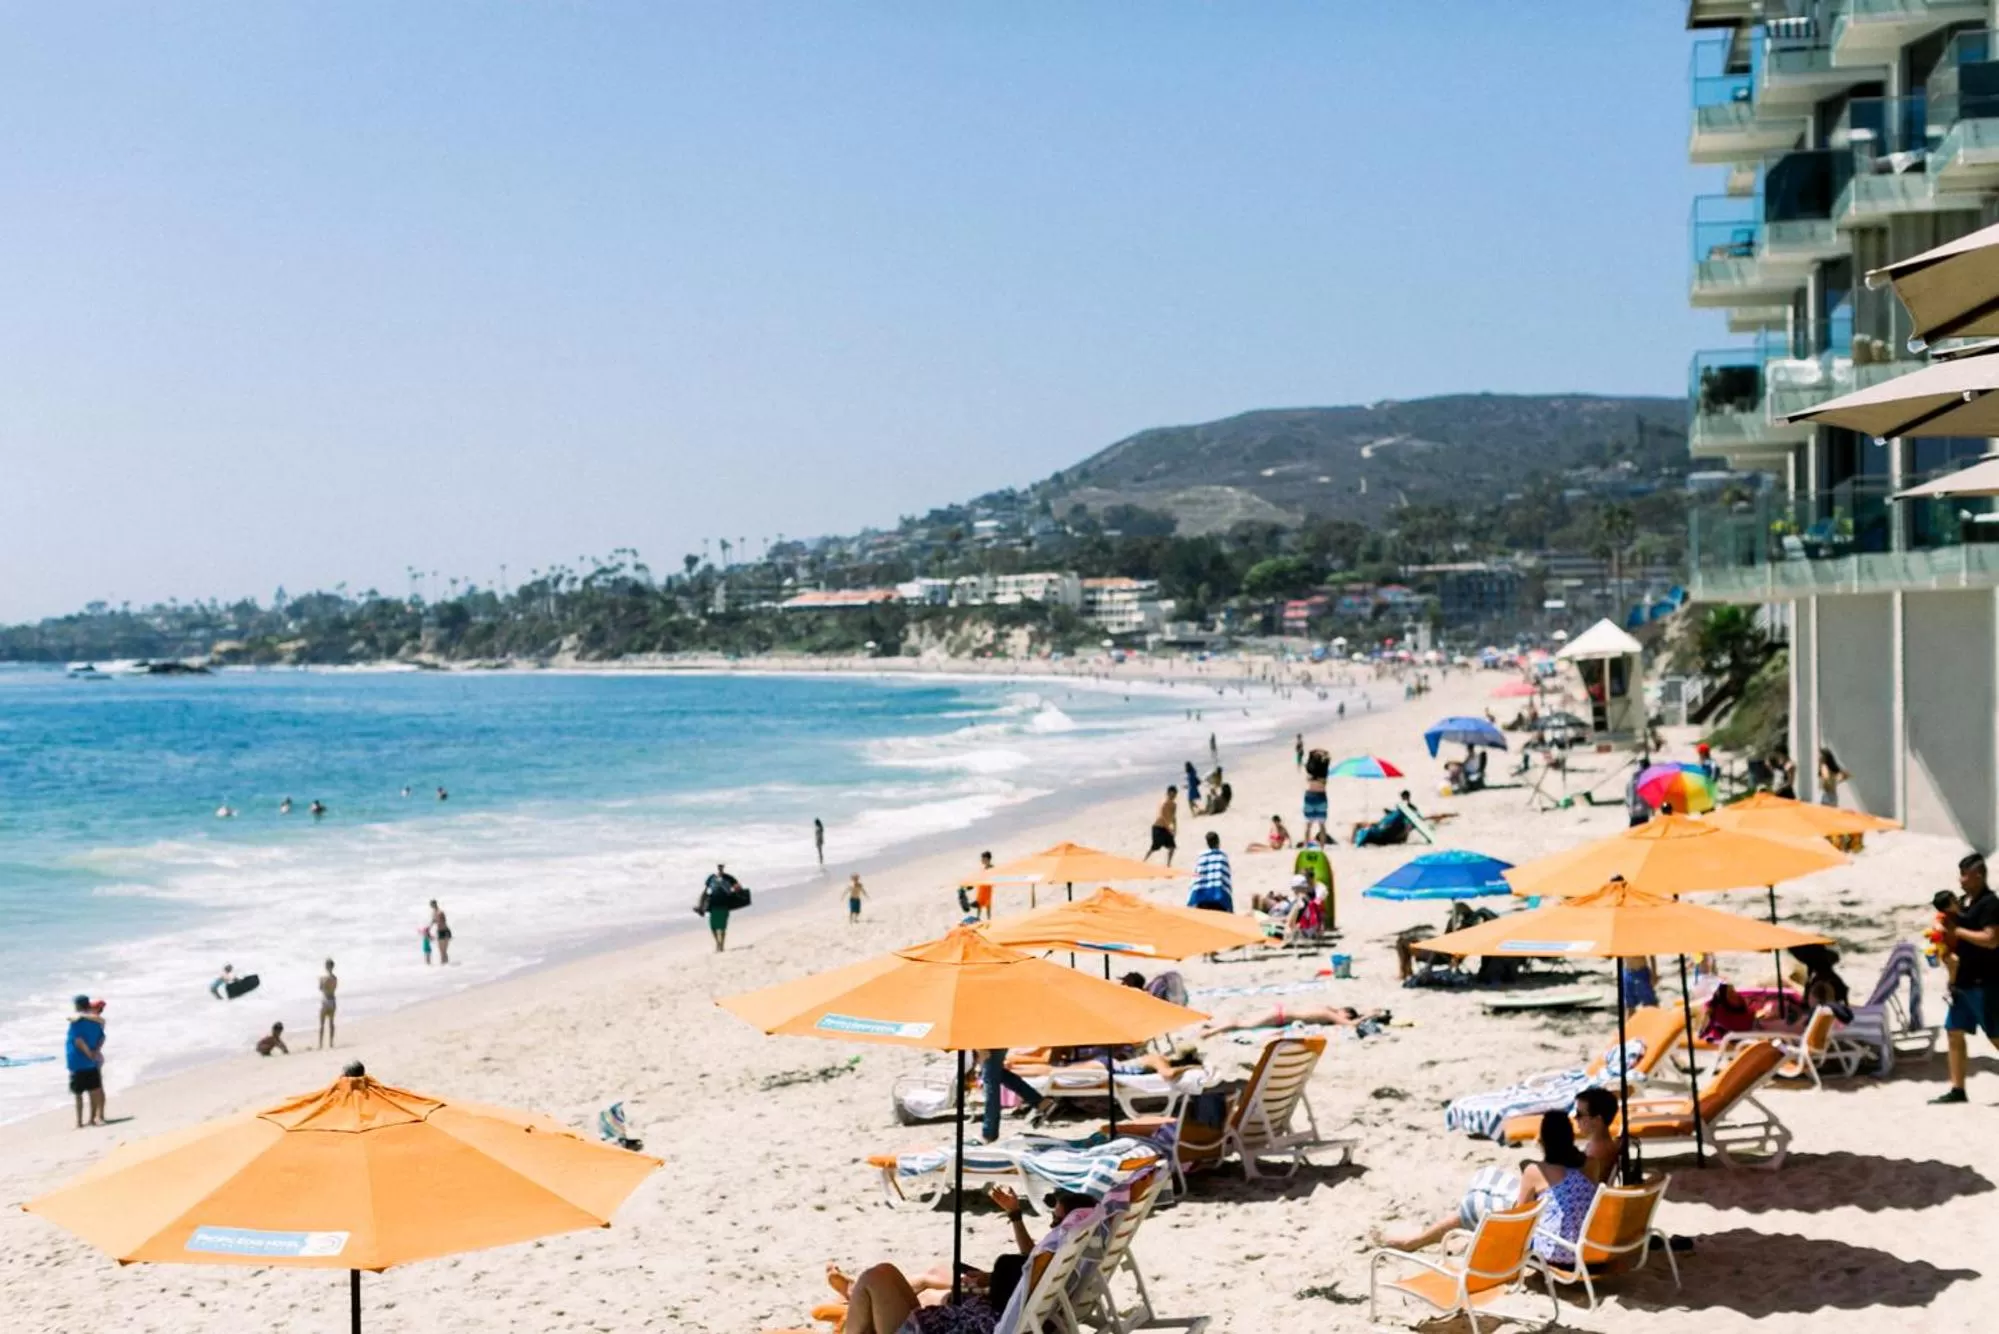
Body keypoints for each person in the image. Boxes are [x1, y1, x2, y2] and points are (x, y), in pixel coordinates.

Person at [826, 1183, 1095, 1333]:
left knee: (876, 1276)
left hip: (965, 1326)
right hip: (980, 1316)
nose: (1051, 1228)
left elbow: (1029, 1260)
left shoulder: (1053, 1259)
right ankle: (853, 1293)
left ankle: (854, 1293)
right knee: (888, 1274)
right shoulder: (1069, 1255)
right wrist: (1014, 1215)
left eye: (1057, 1222)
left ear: (1070, 1223)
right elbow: (1031, 1259)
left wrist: (993, 1279)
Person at [1373, 1108, 1599, 1268]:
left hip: (1554, 1255)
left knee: (1474, 1203)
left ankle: (1414, 1242)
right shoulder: (1589, 1163)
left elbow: (1518, 1221)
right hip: (1583, 1249)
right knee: (1487, 1188)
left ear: (1545, 1139)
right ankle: (1455, 1230)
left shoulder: (1536, 1172)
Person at [1935, 851, 1999, 1105]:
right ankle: (1958, 1089)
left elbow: (1991, 940)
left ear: (1979, 875)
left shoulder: (1991, 904)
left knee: (1995, 1036)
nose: (1960, 880)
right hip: (1962, 981)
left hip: (1986, 981)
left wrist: (1957, 931)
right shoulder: (1963, 903)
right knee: (1954, 1031)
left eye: (1965, 874)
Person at [1199, 1003, 1388, 1037]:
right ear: (1344, 1013)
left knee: (1244, 1020)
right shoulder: (1330, 1014)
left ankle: (1214, 1025)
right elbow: (1351, 1024)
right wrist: (1370, 1015)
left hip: (1280, 1010)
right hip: (1280, 1016)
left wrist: (1365, 1012)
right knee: (1243, 1025)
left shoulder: (1327, 1007)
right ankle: (1211, 1032)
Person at [981, 1047, 1046, 1143]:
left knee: (991, 1081)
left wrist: (980, 1048)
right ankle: (1038, 1100)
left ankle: (989, 1133)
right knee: (996, 1074)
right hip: (993, 1040)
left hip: (988, 1041)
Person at [66, 994, 106, 1129]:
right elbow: (102, 1038)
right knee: (94, 1090)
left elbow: (78, 1041)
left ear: (76, 1006)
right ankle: (93, 1119)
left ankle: (79, 1122)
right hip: (92, 1062)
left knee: (78, 1094)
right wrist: (95, 1053)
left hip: (77, 1061)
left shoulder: (76, 1021)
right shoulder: (97, 1021)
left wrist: (89, 1054)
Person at [1292, 840, 1335, 929]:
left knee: (1306, 904)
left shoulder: (1320, 888)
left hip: (1313, 921)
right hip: (1305, 917)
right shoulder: (1304, 890)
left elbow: (1318, 903)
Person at [1187, 832, 1233, 913]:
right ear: (1218, 842)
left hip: (1202, 898)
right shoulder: (1222, 857)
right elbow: (1226, 879)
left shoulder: (1201, 857)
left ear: (1207, 844)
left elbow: (1196, 879)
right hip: (1219, 898)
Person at [697, 865, 739, 951]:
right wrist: (701, 904)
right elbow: (705, 890)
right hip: (713, 905)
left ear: (723, 867)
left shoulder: (729, 877)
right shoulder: (711, 878)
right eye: (718, 867)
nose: (720, 868)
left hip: (724, 904)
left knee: (722, 926)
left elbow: (738, 887)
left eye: (721, 867)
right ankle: (718, 942)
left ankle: (722, 945)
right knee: (713, 926)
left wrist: (733, 892)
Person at [1302, 749, 1331, 844]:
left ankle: (1306, 848)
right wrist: (1323, 753)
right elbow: (1328, 758)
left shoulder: (1309, 776)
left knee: (1308, 825)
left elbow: (1308, 762)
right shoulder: (1324, 776)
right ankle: (1322, 848)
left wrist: (1313, 754)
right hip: (1321, 796)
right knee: (1322, 825)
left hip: (1310, 796)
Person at [1144, 787, 1178, 866]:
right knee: (1155, 847)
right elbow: (1161, 817)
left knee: (1172, 847)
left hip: (1166, 828)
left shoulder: (1174, 805)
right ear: (1168, 793)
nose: (1173, 796)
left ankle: (1168, 865)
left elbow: (1173, 817)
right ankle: (1144, 861)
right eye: (1171, 794)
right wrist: (1169, 828)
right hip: (1158, 828)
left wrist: (1175, 828)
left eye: (1175, 794)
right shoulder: (1164, 803)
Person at [317, 958, 338, 1049]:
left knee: (322, 1024)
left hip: (325, 1000)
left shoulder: (323, 978)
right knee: (331, 1023)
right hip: (332, 1000)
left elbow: (320, 988)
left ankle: (321, 1044)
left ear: (326, 966)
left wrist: (321, 982)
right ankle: (331, 1043)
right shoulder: (335, 978)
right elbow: (334, 988)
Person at [973, 849, 995, 921]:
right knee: (979, 903)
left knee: (987, 904)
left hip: (987, 887)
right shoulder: (983, 868)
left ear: (987, 859)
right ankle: (978, 918)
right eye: (982, 859)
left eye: (983, 858)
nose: (982, 860)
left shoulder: (992, 867)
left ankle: (989, 920)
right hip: (981, 887)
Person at [429, 900, 452, 964]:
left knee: (443, 951)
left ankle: (445, 966)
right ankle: (445, 967)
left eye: (433, 905)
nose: (433, 906)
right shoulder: (434, 913)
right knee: (442, 951)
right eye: (432, 905)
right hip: (441, 932)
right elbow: (433, 922)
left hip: (445, 931)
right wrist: (428, 929)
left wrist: (436, 920)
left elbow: (442, 921)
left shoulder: (440, 912)